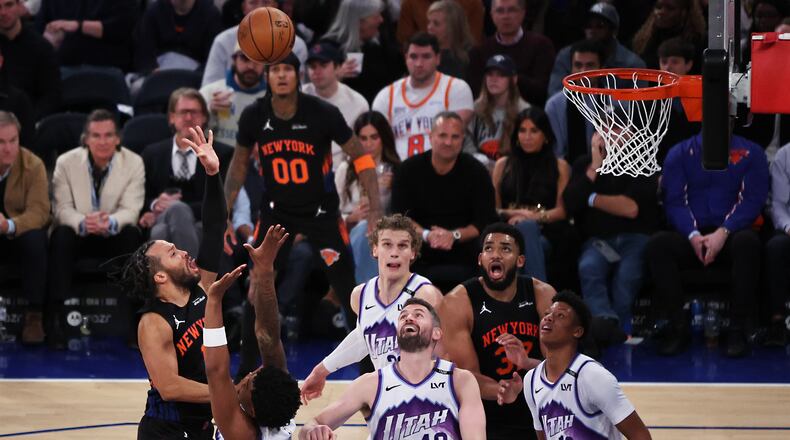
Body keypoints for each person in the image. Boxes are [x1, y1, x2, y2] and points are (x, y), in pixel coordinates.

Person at [223, 52, 382, 326]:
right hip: (277, 212)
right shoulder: (254, 115)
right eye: (275, 70)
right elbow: (238, 166)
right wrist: (223, 213)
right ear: (267, 76)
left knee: (346, 288)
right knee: (259, 285)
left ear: (298, 76)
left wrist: (375, 210)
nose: (281, 75)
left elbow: (362, 157)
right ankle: (248, 366)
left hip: (321, 212)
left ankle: (368, 364)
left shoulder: (323, 112)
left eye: (287, 69)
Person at [116, 125, 226, 439]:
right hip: (165, 431)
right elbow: (169, 386)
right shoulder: (153, 322)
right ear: (160, 276)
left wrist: (212, 173)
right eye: (174, 253)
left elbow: (216, 227)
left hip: (203, 427)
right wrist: (228, 393)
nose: (186, 252)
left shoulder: (201, 288)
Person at [645, 132, 769, 357]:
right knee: (658, 245)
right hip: (691, 235)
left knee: (748, 243)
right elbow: (673, 202)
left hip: (732, 233)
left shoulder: (753, 152)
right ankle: (677, 328)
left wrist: (724, 231)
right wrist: (692, 235)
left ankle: (737, 329)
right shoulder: (679, 152)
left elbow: (753, 200)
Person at [299, 214, 444, 403]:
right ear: (375, 249)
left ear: (413, 253)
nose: (394, 252)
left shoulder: (425, 295)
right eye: (387, 244)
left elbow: (444, 356)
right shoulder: (360, 296)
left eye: (402, 246)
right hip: (387, 402)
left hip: (423, 402)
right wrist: (321, 371)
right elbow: (363, 338)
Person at [299, 297, 486, 440]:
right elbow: (310, 425)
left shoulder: (460, 380)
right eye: (403, 316)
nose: (409, 318)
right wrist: (313, 432)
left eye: (418, 314)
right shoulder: (370, 384)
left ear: (437, 333)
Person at [440, 223, 555, 440]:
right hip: (484, 412)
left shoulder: (543, 295)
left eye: (505, 249)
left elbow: (559, 365)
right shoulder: (457, 302)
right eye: (489, 248)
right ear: (480, 258)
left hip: (539, 404)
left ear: (520, 260)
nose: (496, 255)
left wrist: (528, 364)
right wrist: (502, 392)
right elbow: (465, 376)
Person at [497, 291, 653, 440]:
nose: (549, 318)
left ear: (577, 331)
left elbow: (640, 435)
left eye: (560, 316)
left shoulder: (593, 376)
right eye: (547, 314)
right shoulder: (531, 380)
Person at [49, 109, 144, 348]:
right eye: (96, 136)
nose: (103, 141)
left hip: (113, 232)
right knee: (61, 235)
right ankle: (56, 321)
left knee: (132, 234)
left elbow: (132, 209)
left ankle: (136, 323)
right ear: (86, 139)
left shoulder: (134, 162)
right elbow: (61, 208)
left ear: (118, 138)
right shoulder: (66, 162)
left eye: (108, 135)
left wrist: (109, 222)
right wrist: (84, 222)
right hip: (79, 232)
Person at [203, 224, 302, 440]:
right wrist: (265, 270)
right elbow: (268, 335)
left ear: (254, 411)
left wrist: (214, 302)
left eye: (248, 382)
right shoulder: (278, 408)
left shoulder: (241, 433)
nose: (247, 375)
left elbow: (216, 371)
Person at [563, 130, 659, 346]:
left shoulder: (641, 163)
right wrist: (595, 167)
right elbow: (570, 202)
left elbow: (630, 208)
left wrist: (591, 197)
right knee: (589, 267)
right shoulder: (583, 165)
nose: (610, 138)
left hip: (635, 237)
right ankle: (604, 326)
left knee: (628, 274)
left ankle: (623, 328)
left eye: (617, 132)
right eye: (604, 132)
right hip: (597, 240)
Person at [391, 111, 498, 293]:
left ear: (463, 139)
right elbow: (401, 216)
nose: (448, 142)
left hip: (466, 250)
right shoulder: (408, 170)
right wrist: (427, 235)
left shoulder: (476, 171)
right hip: (419, 250)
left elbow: (484, 220)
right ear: (431, 137)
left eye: (455, 136)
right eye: (443, 135)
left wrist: (453, 236)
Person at [140, 88, 233, 257]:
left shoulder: (222, 154)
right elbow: (141, 196)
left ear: (205, 117)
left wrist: (177, 207)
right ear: (172, 118)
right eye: (183, 112)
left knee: (159, 233)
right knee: (166, 221)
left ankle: (169, 282)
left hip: (202, 222)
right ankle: (191, 280)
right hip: (163, 216)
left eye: (194, 112)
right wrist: (155, 205)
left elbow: (221, 200)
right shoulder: (152, 154)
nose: (189, 117)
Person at [492, 107, 572, 286]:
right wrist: (516, 214)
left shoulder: (560, 166)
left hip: (546, 231)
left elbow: (561, 211)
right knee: (515, 244)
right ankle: (540, 295)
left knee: (525, 237)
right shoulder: (502, 165)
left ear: (545, 135)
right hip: (507, 230)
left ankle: (535, 294)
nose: (527, 136)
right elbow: (493, 209)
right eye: (522, 130)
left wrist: (531, 218)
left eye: (534, 131)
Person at [372, 32, 474, 161]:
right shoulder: (386, 95)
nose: (419, 63)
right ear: (405, 59)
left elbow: (453, 138)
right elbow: (376, 141)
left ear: (438, 58)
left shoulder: (456, 88)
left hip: (441, 169)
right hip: (397, 171)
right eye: (413, 57)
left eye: (426, 57)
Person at [0, 110, 49, 344]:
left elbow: (40, 212)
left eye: (12, 141)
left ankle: (34, 316)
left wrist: (9, 225)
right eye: (0, 142)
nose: (8, 148)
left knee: (36, 239)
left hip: (15, 235)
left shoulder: (33, 164)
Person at [337, 111, 401, 283]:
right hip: (348, 232)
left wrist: (393, 187)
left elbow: (400, 213)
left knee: (370, 231)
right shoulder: (345, 170)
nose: (368, 144)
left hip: (385, 232)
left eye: (374, 137)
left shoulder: (394, 170)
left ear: (384, 139)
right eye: (363, 139)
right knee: (363, 229)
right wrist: (350, 218)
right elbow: (331, 212)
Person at [547, 2, 646, 97]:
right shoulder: (566, 55)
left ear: (613, 31)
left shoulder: (633, 65)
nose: (592, 31)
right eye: (588, 26)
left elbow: (638, 105)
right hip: (573, 111)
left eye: (600, 26)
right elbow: (555, 96)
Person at [467, 0, 555, 106]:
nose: (505, 16)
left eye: (512, 10)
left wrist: (509, 77)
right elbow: (476, 93)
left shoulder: (542, 46)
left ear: (523, 13)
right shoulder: (478, 52)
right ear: (491, 15)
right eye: (500, 11)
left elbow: (542, 91)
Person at [201, 0, 307, 87]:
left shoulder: (295, 45)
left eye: (266, 2)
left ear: (276, 7)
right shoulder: (223, 41)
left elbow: (298, 93)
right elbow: (209, 88)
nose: (260, 9)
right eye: (253, 3)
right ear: (244, 8)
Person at [320, 0, 405, 104]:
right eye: (376, 16)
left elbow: (398, 74)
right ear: (360, 21)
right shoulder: (328, 48)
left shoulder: (380, 44)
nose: (381, 20)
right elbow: (314, 88)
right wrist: (336, 77)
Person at [302, 41, 369, 170]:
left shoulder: (358, 103)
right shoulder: (297, 98)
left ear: (338, 67)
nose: (317, 71)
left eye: (323, 65)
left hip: (342, 170)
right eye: (312, 66)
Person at [465, 54, 530, 169]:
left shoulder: (524, 111)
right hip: (480, 171)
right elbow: (466, 142)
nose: (494, 79)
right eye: (490, 74)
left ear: (513, 79)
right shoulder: (475, 109)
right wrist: (478, 162)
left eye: (501, 75)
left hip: (513, 173)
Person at [37, 0, 138, 72]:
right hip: (61, 66)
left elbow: (121, 28)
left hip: (106, 68)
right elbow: (41, 31)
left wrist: (79, 26)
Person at [0, 0, 61, 119]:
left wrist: (30, 122)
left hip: (29, 122)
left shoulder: (41, 47)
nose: (3, 12)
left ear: (20, 6)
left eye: (9, 5)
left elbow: (52, 95)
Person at [545, 39, 602, 163]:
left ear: (601, 68)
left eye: (590, 65)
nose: (583, 71)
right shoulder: (554, 105)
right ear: (571, 68)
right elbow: (555, 153)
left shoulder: (617, 102)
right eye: (578, 65)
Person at [200, 43, 267, 148]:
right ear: (234, 60)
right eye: (244, 58)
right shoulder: (209, 92)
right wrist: (209, 113)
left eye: (258, 60)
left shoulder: (273, 98)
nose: (251, 66)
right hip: (217, 159)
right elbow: (190, 135)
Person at [134, 0, 222, 74]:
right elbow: (144, 52)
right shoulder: (154, 11)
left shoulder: (210, 14)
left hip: (194, 76)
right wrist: (152, 71)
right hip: (158, 74)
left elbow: (213, 58)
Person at [655, 37, 701, 166]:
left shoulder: (702, 99)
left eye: (674, 62)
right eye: (664, 62)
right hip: (661, 170)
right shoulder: (650, 103)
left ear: (689, 64)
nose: (668, 67)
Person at [631, 0, 706, 71]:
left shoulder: (698, 42)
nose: (661, 12)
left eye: (670, 8)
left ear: (684, 12)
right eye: (658, 7)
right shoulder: (644, 41)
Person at [766, 141, 790, 346]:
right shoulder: (785, 155)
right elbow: (778, 205)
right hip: (789, 229)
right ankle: (777, 321)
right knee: (776, 247)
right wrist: (788, 227)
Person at [397, 0, 483, 47]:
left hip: (462, 59)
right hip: (423, 61)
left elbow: (473, 42)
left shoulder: (473, 3)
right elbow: (405, 40)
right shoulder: (410, 3)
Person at [426, 0, 474, 80]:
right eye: (429, 22)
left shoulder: (470, 56)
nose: (429, 27)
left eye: (436, 23)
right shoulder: (423, 53)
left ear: (452, 27)